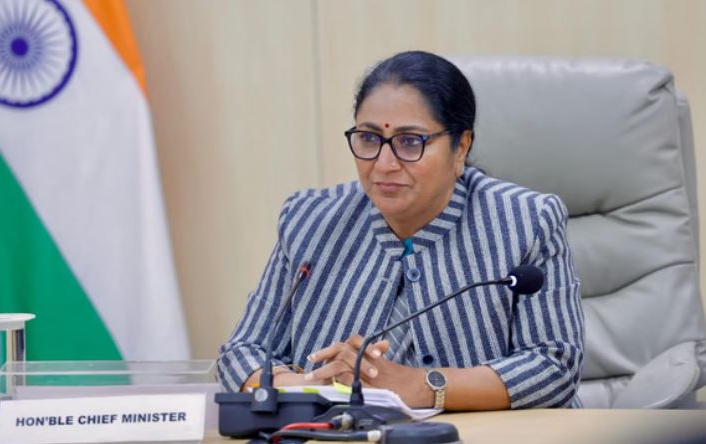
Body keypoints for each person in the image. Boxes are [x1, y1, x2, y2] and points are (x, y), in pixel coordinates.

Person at [217, 51, 583, 410]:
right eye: (369, 138)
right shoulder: (310, 220)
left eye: (410, 141)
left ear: (461, 147)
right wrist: (315, 388)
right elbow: (241, 352)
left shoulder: (525, 220)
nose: (384, 164)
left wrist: (424, 386)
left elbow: (554, 365)